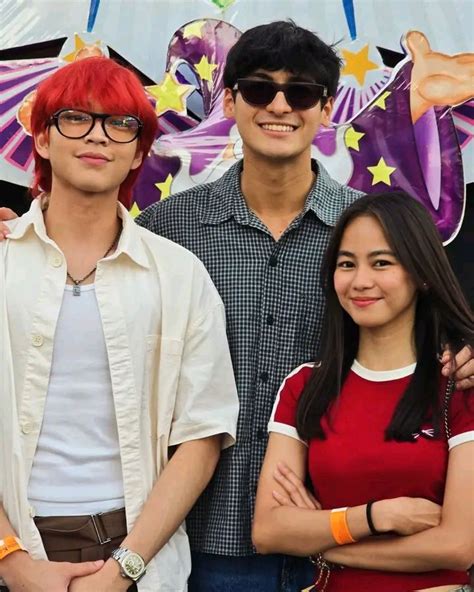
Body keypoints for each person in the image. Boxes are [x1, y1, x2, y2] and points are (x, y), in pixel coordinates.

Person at [0, 21, 473, 592]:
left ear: (327, 108)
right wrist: (23, 242)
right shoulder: (168, 232)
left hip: (342, 534)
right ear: (228, 101)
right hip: (200, 542)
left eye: (301, 92)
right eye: (258, 88)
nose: (280, 106)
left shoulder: (367, 232)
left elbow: (430, 336)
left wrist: (463, 355)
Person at [0, 57, 238, 592]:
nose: (98, 136)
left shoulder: (178, 275)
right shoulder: (4, 263)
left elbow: (202, 433)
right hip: (15, 547)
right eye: (75, 118)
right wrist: (12, 563)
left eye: (120, 124)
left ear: (138, 151)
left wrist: (123, 570)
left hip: (138, 557)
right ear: (42, 139)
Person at [254, 191, 473, 591]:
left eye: (381, 262)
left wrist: (323, 544)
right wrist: (374, 517)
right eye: (347, 264)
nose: (360, 281)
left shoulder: (460, 385)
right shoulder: (306, 386)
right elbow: (269, 530)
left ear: (422, 274)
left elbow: (458, 546)